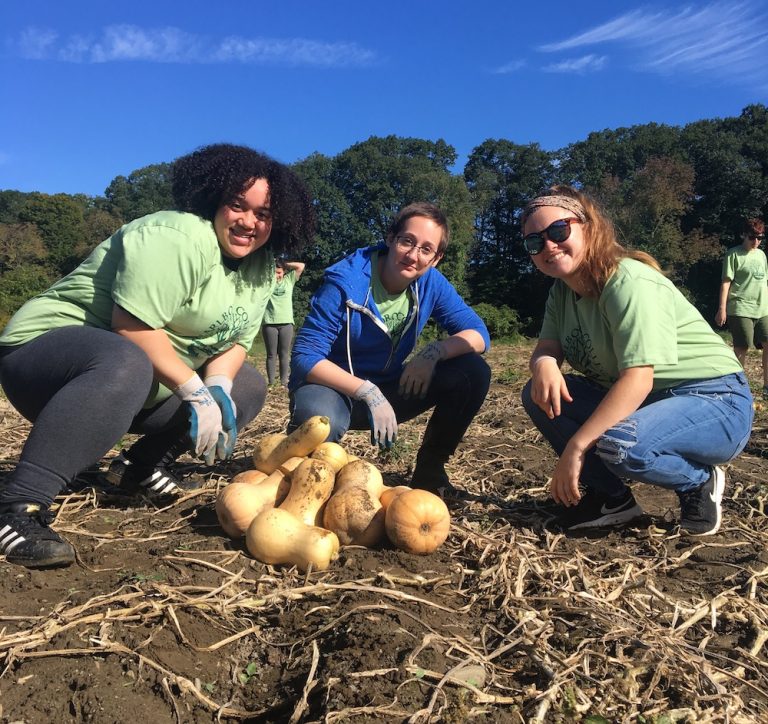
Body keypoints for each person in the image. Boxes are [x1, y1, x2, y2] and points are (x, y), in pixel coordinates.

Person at [0, 143, 315, 569]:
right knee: (128, 359)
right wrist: (194, 392)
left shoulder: (261, 267)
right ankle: (18, 505)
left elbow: (236, 343)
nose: (248, 222)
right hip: (49, 361)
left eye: (263, 214)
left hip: (132, 384)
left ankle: (137, 469)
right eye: (238, 206)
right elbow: (132, 328)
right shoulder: (178, 236)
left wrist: (218, 388)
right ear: (214, 200)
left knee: (247, 385)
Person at [520, 185, 753, 536]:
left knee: (620, 445)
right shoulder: (562, 292)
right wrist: (544, 364)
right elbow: (547, 348)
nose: (548, 245)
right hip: (650, 404)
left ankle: (698, 481)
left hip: (715, 400)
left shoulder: (627, 280)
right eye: (535, 242)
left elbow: (638, 379)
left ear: (587, 226)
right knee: (537, 395)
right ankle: (613, 500)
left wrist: (577, 447)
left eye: (558, 230)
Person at [288, 201, 491, 495]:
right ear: (390, 238)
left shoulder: (431, 282)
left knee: (472, 371)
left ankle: (430, 473)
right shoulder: (346, 282)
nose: (413, 255)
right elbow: (304, 357)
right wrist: (366, 391)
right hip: (333, 388)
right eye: (407, 241)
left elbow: (479, 334)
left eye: (426, 249)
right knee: (320, 420)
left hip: (390, 387)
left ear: (436, 259)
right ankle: (303, 474)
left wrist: (432, 353)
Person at [715, 217, 768, 397]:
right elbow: (726, 283)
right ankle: (737, 389)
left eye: (760, 238)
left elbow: (764, 282)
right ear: (743, 235)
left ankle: (767, 387)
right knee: (742, 346)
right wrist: (722, 308)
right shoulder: (733, 254)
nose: (756, 242)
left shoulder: (761, 255)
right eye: (752, 237)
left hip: (763, 308)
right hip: (740, 307)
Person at [262, 258, 305, 386]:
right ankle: (271, 382)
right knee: (271, 354)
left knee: (284, 354)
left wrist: (284, 263)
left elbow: (301, 266)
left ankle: (283, 381)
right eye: (275, 272)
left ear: (284, 272)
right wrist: (270, 263)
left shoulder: (289, 280)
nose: (277, 275)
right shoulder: (266, 282)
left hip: (286, 323)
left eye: (279, 272)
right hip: (269, 323)